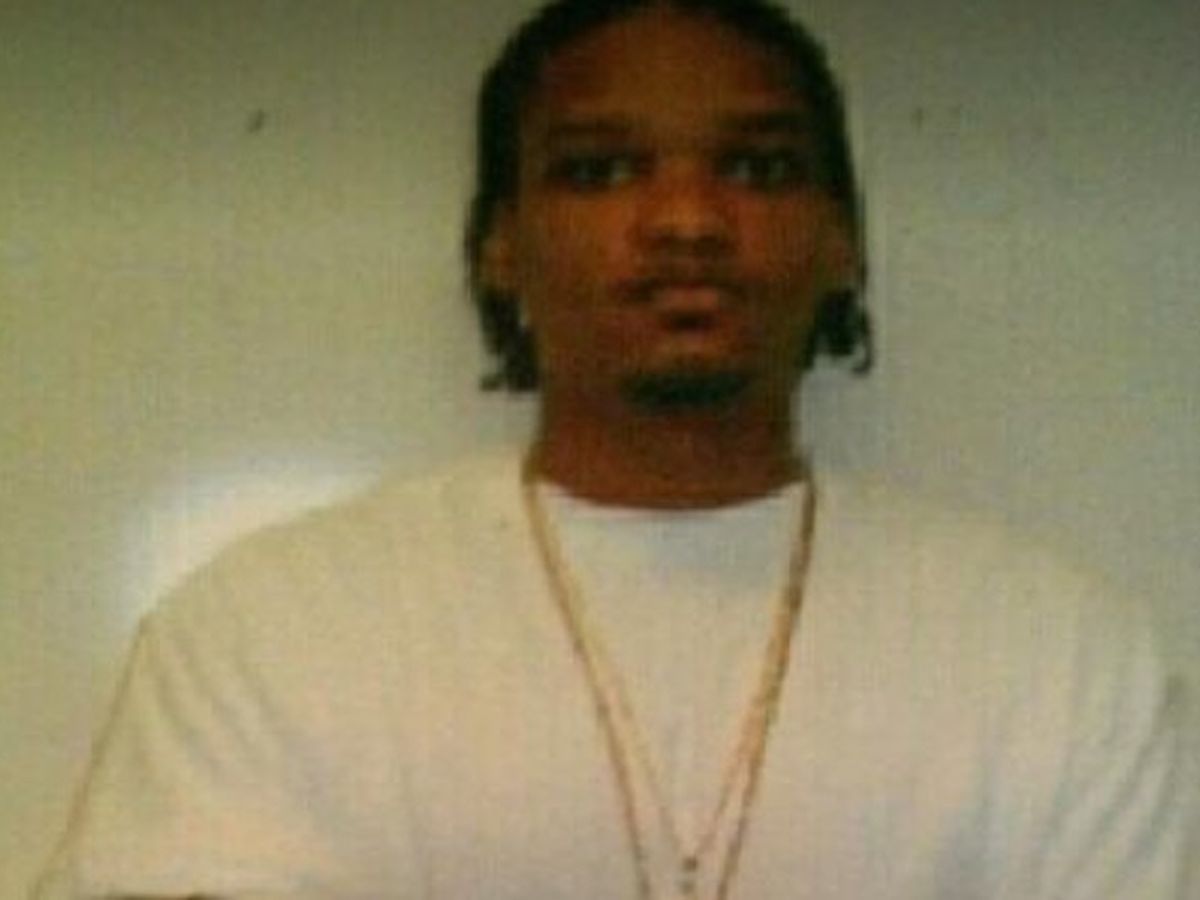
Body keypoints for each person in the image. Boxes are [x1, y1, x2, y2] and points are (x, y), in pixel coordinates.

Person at [35, 0, 1191, 897]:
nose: (686, 220)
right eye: (599, 170)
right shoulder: (269, 632)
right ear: (499, 245)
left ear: (842, 241)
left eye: (756, 168)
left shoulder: (1061, 655)